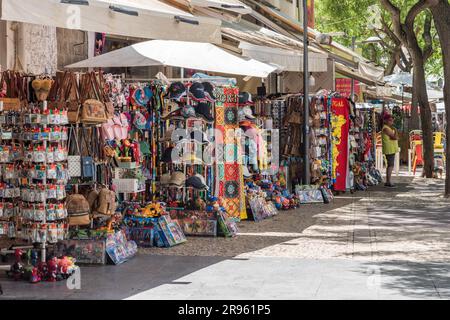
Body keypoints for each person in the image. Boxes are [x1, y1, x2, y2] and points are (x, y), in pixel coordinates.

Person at [382, 113, 399, 187]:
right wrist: (395, 131)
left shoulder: (388, 128)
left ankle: (388, 181)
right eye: (390, 120)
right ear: (385, 121)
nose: (391, 122)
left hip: (391, 148)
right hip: (389, 149)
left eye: (392, 120)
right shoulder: (386, 128)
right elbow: (394, 137)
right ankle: (388, 181)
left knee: (390, 165)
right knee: (390, 165)